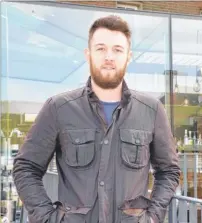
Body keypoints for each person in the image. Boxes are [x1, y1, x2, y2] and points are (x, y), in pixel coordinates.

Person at [12, 15, 181, 223]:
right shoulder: (58, 108)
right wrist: (47, 218)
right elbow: (26, 168)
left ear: (128, 56)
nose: (109, 56)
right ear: (88, 54)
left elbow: (169, 171)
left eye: (117, 50)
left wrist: (153, 217)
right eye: (101, 48)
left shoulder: (152, 110)